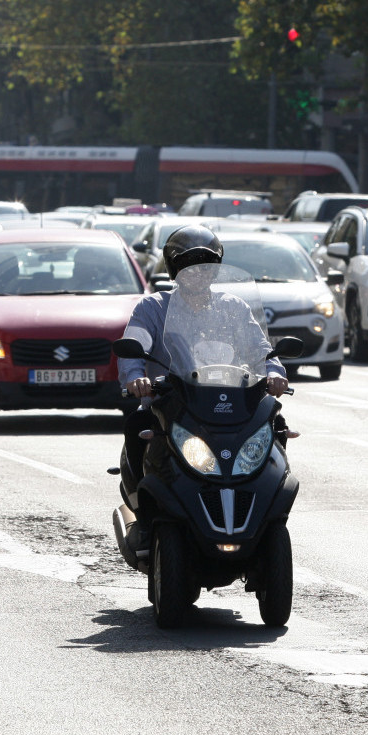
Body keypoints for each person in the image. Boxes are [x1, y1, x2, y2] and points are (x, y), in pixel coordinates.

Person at [117, 226, 289, 543]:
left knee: (275, 422)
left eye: (205, 266)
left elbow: (260, 349)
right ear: (175, 270)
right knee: (138, 424)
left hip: (228, 404)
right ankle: (143, 513)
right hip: (171, 404)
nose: (198, 274)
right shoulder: (152, 308)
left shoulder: (234, 308)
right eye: (189, 266)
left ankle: (268, 500)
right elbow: (132, 347)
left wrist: (274, 372)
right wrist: (135, 378)